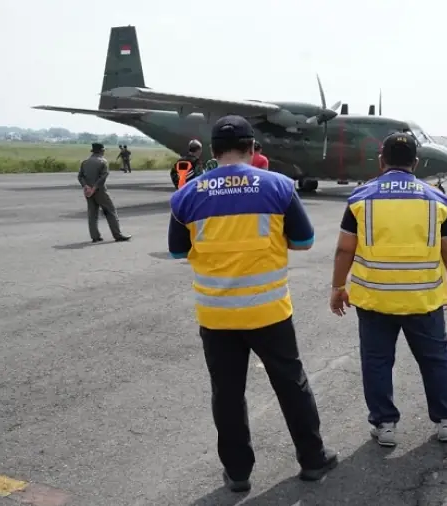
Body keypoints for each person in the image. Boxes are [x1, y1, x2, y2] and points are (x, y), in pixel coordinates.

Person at [168, 115, 337, 492]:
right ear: (252, 148)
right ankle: (312, 460)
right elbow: (305, 241)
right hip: (269, 311)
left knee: (227, 393)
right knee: (292, 385)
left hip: (216, 314)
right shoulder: (278, 186)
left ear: (213, 151)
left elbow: (178, 251)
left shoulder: (187, 194)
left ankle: (238, 473)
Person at [329, 131, 447, 448]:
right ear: (416, 163)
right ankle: (446, 421)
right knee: (435, 360)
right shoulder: (437, 200)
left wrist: (338, 287)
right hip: (424, 299)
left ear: (381, 161)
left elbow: (344, 250)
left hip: (374, 299)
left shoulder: (361, 198)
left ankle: (385, 424)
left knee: (377, 362)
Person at [77, 143, 131, 243]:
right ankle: (117, 235)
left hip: (88, 192)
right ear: (101, 151)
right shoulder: (103, 161)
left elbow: (80, 176)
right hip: (100, 191)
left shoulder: (85, 162)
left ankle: (95, 236)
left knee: (92, 213)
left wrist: (86, 186)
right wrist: (94, 188)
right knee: (110, 211)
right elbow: (103, 177)